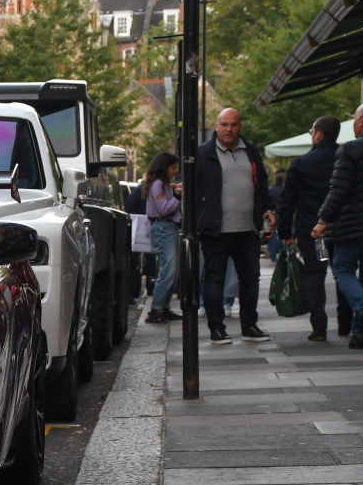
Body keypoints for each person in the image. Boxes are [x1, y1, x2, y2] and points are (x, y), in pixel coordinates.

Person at [196, 107, 274, 345]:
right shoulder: (202, 153)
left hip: (247, 229)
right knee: (214, 278)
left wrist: (268, 208)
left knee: (250, 279)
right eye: (224, 124)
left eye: (234, 124)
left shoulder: (250, 151)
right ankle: (217, 328)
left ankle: (249, 325)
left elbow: (261, 182)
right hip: (215, 229)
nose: (229, 129)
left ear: (240, 126)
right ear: (216, 126)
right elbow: (187, 183)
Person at [314, 101, 363, 349]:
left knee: (342, 268)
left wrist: (323, 220)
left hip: (354, 224)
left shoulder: (350, 149)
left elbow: (338, 189)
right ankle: (361, 333)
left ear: (361, 121)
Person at [278, 115, 341, 341]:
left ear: (318, 135)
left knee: (315, 273)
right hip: (343, 227)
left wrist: (284, 231)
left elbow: (288, 201)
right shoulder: (345, 157)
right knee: (343, 271)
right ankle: (348, 322)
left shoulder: (301, 164)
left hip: (312, 230)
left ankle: (320, 326)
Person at [144, 152, 182, 323]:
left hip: (167, 227)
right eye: (173, 167)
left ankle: (163, 307)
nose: (175, 171)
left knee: (171, 270)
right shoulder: (158, 184)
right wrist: (178, 196)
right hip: (163, 227)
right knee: (169, 270)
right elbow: (164, 208)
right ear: (164, 167)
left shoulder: (162, 184)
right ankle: (157, 308)